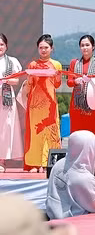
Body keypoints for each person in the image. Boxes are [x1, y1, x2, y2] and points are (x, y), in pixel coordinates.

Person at [46, 131, 95, 219]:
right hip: (74, 225)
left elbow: (70, 189)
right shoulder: (83, 176)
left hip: (54, 219)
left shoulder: (58, 165)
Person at [23, 34, 62, 172]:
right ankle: (35, 163)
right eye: (41, 48)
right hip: (35, 104)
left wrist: (57, 75)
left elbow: (57, 85)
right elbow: (29, 85)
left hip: (50, 104)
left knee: (50, 133)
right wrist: (29, 77)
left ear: (51, 48)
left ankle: (49, 163)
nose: (43, 50)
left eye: (46, 47)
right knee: (36, 133)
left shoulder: (56, 64)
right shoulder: (33, 65)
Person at [66, 35, 95, 157]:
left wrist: (93, 80)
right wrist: (76, 81)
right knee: (77, 132)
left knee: (93, 132)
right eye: (82, 45)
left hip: (92, 104)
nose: (85, 48)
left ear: (93, 47)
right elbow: (69, 82)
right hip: (77, 105)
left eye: (87, 45)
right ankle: (75, 159)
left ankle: (94, 160)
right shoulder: (74, 63)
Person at [0, 34, 23, 173]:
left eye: (1, 44)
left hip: (6, 100)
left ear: (6, 46)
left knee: (4, 130)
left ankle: (1, 160)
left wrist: (5, 80)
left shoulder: (12, 61)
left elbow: (17, 80)